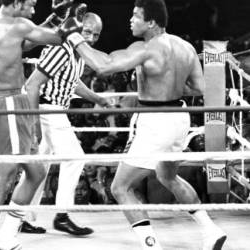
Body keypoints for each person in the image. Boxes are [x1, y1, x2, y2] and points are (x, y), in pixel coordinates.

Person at [66, 0, 227, 249]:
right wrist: (168, 84)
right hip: (180, 117)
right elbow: (199, 88)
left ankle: (151, 246)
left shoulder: (146, 48)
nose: (130, 20)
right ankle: (210, 230)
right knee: (167, 176)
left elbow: (103, 65)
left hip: (156, 121)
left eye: (135, 15)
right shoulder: (185, 48)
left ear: (151, 22)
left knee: (120, 187)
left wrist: (74, 37)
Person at [0, 0, 67, 249]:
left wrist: (56, 17)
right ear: (17, 2)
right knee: (5, 176)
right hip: (9, 103)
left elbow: (29, 40)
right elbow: (57, 39)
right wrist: (72, 19)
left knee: (36, 173)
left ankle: (5, 235)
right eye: (31, 4)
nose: (34, 10)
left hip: (5, 102)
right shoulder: (18, 25)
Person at [25, 11, 110, 235]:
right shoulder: (61, 48)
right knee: (75, 158)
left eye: (96, 35)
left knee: (39, 168)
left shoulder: (77, 53)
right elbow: (32, 85)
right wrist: (34, 124)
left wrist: (97, 98)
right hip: (45, 109)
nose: (91, 39)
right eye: (87, 32)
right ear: (76, 28)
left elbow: (73, 82)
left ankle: (22, 217)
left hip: (52, 110)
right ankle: (62, 215)